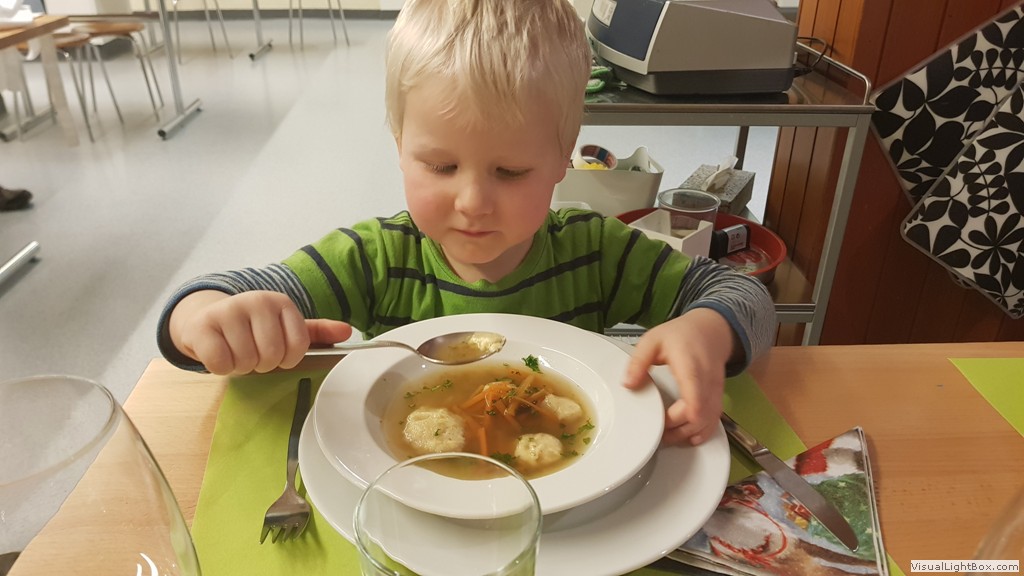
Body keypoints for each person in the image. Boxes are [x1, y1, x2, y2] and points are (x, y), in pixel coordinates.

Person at [156, 0, 776, 447]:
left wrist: (709, 329)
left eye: (510, 171)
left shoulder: (598, 252)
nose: (473, 202)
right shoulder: (374, 258)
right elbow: (213, 304)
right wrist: (207, 318)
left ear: (564, 159)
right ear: (400, 147)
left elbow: (745, 296)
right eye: (441, 166)